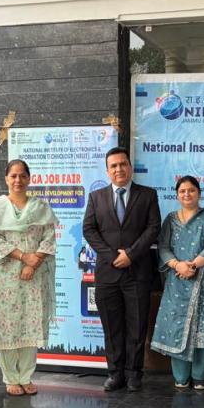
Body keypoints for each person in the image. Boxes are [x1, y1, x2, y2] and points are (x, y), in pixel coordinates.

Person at [82, 147, 161, 391]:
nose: (119, 169)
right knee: (112, 326)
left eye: (123, 164)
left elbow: (153, 228)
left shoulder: (147, 195)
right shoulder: (96, 197)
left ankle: (134, 373)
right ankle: (115, 373)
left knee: (137, 326)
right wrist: (112, 256)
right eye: (113, 166)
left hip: (138, 272)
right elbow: (89, 230)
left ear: (130, 166)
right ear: (107, 171)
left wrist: (131, 254)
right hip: (108, 273)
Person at [0, 159, 58, 395]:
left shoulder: (41, 207)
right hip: (5, 275)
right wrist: (25, 258)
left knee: (31, 323)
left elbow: (49, 237)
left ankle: (26, 376)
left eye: (22, 175)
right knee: (7, 325)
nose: (18, 180)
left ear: (29, 178)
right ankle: (10, 378)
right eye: (13, 176)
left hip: (34, 275)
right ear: (6, 178)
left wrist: (34, 263)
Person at [151, 176, 204, 389]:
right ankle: (181, 377)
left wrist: (194, 265)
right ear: (177, 195)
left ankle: (200, 376)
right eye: (182, 191)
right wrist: (178, 265)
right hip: (176, 281)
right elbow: (163, 247)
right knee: (175, 326)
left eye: (191, 190)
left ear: (199, 193)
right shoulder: (170, 219)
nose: (187, 194)